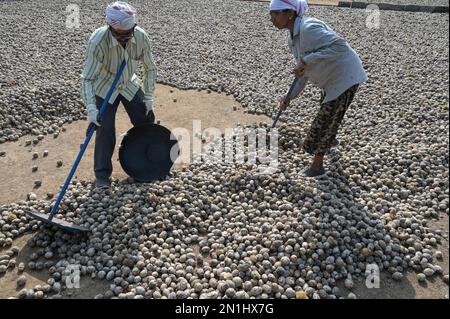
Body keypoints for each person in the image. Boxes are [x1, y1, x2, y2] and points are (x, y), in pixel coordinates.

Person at [269, 0, 368, 177]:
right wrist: (288, 97)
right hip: (331, 78)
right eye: (271, 14)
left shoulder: (308, 28)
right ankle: (329, 139)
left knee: (324, 120)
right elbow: (302, 73)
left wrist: (309, 59)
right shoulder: (293, 37)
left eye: (276, 13)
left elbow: (341, 47)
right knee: (331, 114)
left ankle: (317, 166)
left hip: (344, 76)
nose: (272, 18)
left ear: (290, 13)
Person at [81, 1, 157, 188]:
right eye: (120, 35)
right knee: (104, 129)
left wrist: (148, 97)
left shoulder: (140, 37)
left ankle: (150, 162)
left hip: (128, 82)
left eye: (127, 34)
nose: (124, 38)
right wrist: (91, 109)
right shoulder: (98, 41)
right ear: (111, 28)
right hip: (105, 86)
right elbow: (87, 79)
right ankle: (102, 176)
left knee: (146, 119)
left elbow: (150, 69)